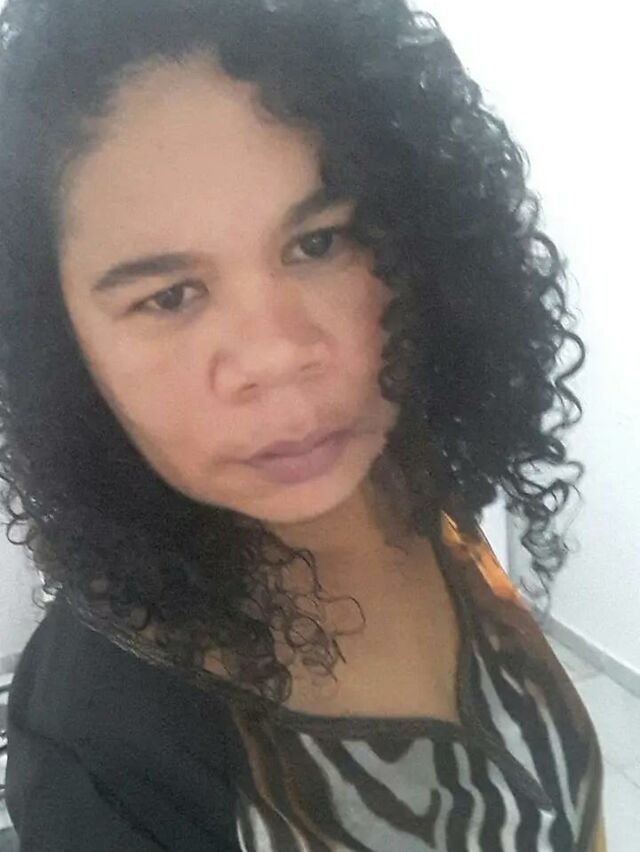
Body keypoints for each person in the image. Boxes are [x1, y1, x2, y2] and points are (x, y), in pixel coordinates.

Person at [0, 0, 605, 849]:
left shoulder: (407, 483)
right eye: (170, 296)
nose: (280, 354)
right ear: (60, 347)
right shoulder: (100, 751)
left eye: (320, 243)